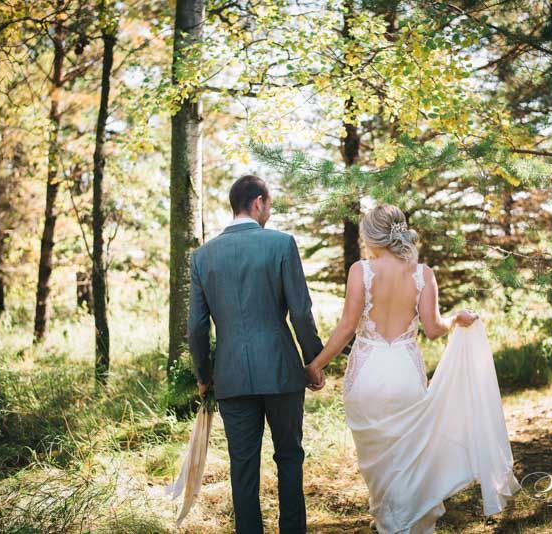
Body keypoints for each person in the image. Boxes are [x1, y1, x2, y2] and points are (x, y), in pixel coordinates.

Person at [304, 204, 520, 533]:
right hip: (405, 374)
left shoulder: (360, 271)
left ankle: (390, 521)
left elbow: (346, 328)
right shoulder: (423, 274)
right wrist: (455, 319)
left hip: (368, 375)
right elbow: (433, 329)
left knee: (378, 463)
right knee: (408, 457)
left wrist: (315, 365)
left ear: (371, 236)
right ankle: (406, 522)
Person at [187, 175, 325, 534]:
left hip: (231, 377)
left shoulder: (202, 257)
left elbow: (197, 328)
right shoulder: (281, 244)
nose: (270, 211)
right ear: (259, 202)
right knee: (290, 457)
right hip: (281, 372)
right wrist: (314, 361)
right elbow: (300, 313)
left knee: (243, 466)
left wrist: (204, 376)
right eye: (270, 204)